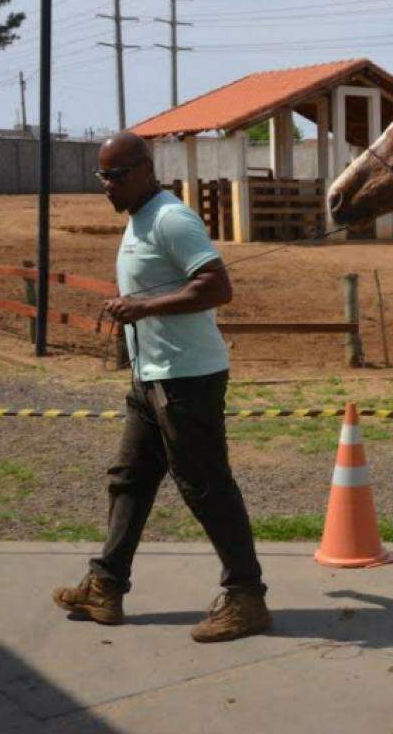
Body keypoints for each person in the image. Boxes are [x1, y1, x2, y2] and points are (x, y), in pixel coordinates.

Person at [53, 131, 271, 642]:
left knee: (206, 486)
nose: (107, 186)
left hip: (187, 380)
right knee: (129, 478)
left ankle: (247, 599)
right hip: (151, 377)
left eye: (117, 175)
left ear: (145, 168)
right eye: (101, 176)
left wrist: (142, 306)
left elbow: (217, 286)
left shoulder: (171, 218)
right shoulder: (138, 220)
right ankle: (105, 586)